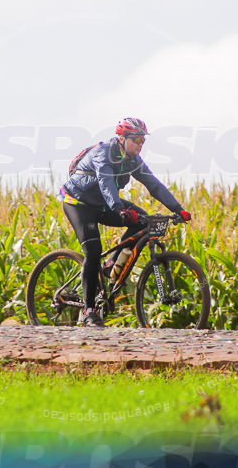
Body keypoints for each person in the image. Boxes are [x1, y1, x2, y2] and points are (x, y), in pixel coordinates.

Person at [59, 117, 191, 327]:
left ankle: (112, 263)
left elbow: (153, 185)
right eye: (136, 140)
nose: (139, 145)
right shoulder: (104, 153)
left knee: (143, 220)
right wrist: (119, 208)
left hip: (102, 203)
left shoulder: (133, 160)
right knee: (93, 252)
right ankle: (89, 310)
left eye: (142, 141)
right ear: (122, 138)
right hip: (79, 203)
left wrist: (178, 209)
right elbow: (106, 181)